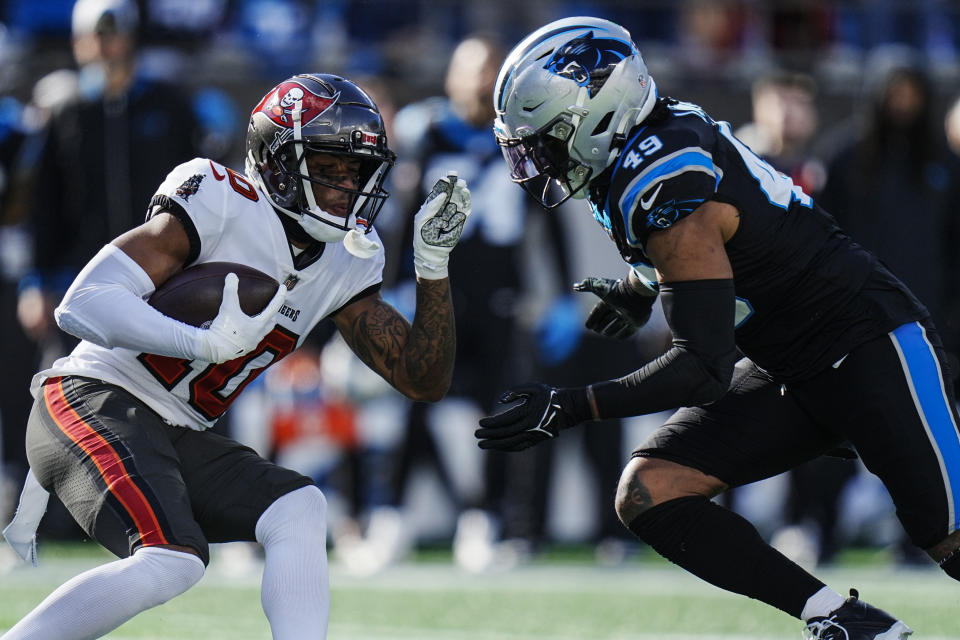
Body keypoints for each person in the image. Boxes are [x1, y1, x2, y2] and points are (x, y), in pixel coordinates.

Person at [479, 16, 960, 640]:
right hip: (789, 364)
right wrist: (639, 285)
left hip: (865, 341)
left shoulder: (662, 177)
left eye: (547, 139)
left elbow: (700, 368)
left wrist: (568, 408)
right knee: (653, 490)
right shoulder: (645, 147)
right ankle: (845, 624)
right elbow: (725, 246)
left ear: (594, 111)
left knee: (949, 537)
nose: (539, 159)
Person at [1, 72, 470, 639]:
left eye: (356, 172)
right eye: (327, 169)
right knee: (172, 558)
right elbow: (82, 303)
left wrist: (433, 268)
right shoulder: (221, 197)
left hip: (175, 428)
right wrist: (196, 343)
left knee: (299, 507)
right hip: (91, 397)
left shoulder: (349, 259)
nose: (347, 188)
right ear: (275, 163)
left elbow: (423, 379)